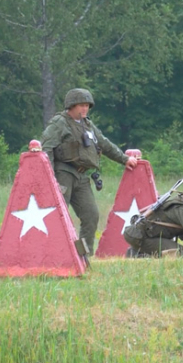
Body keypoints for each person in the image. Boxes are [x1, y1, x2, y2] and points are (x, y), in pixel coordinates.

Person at [41, 88, 138, 254]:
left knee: (91, 216)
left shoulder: (87, 125)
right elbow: (46, 149)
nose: (85, 109)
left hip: (82, 176)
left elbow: (104, 144)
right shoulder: (59, 123)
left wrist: (124, 159)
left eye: (87, 105)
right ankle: (54, 255)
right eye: (81, 105)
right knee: (57, 216)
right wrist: (51, 180)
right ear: (71, 106)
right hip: (63, 173)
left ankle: (83, 256)